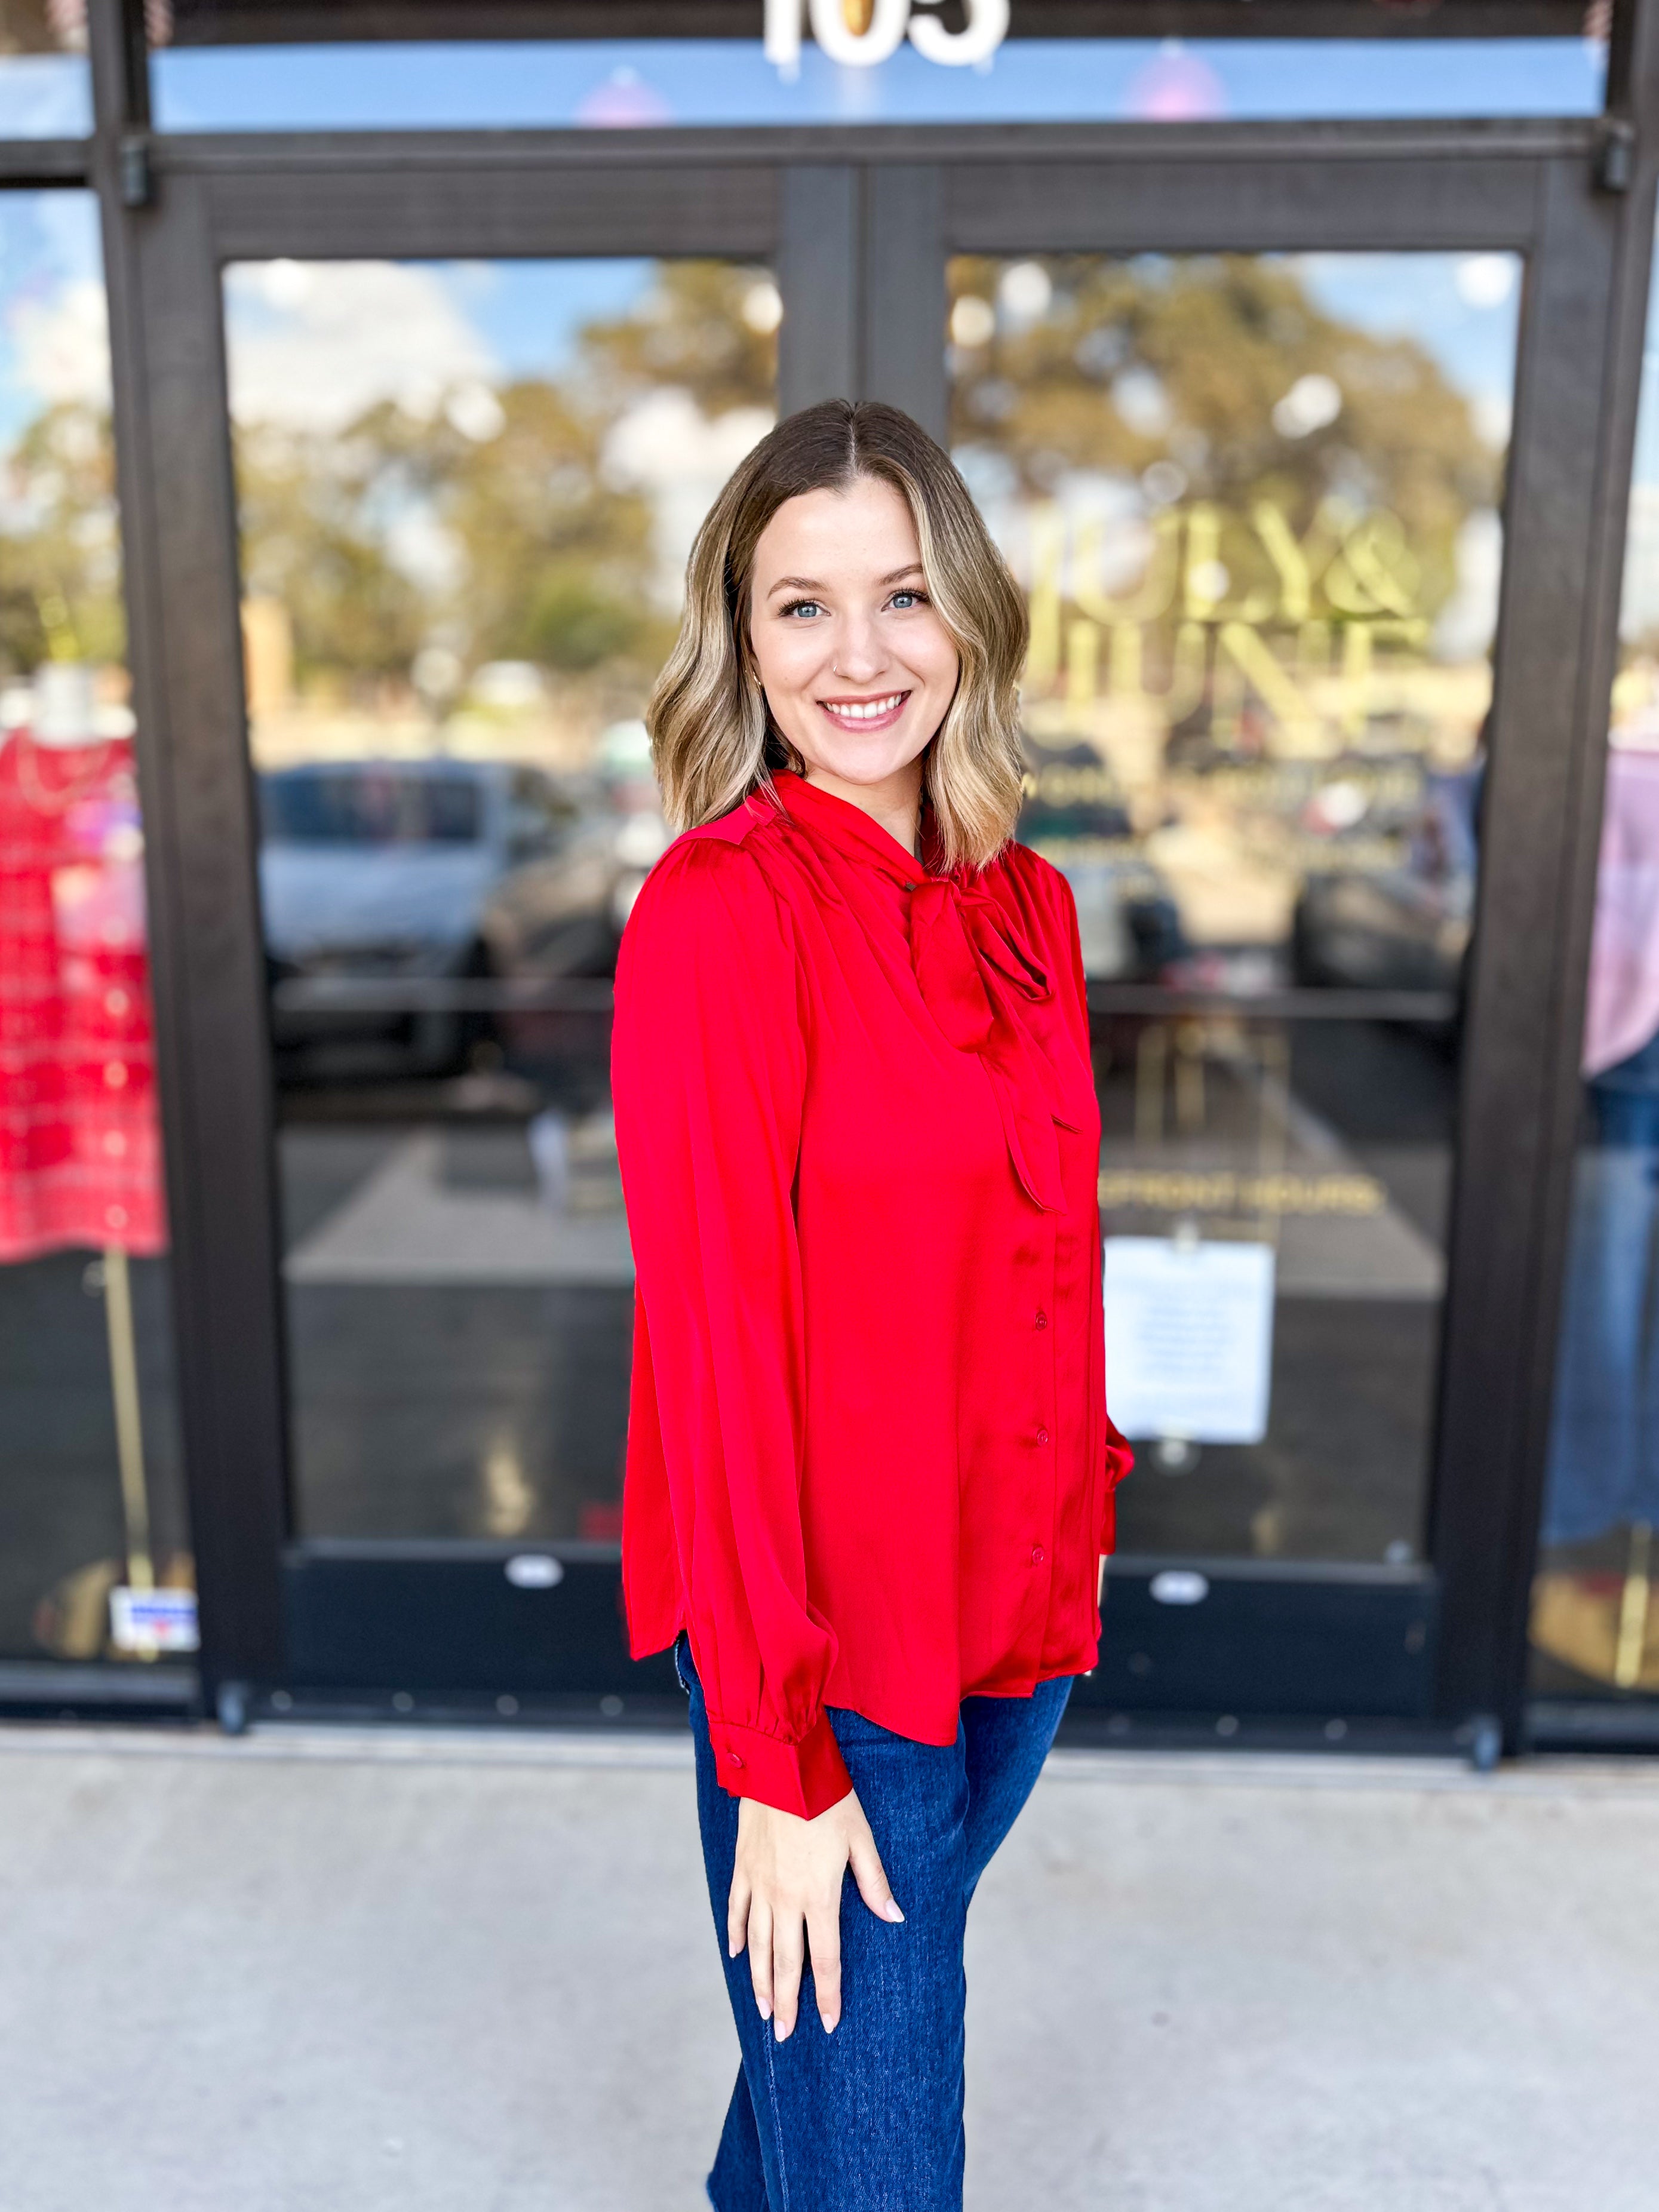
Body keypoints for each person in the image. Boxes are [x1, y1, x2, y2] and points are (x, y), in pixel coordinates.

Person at [611, 399, 1130, 2212]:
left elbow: (1047, 1244)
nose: (859, 655)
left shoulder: (1033, 907)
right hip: (838, 1660)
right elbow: (715, 1357)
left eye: (901, 595)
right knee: (884, 2165)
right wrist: (775, 1751)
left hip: (1016, 1619)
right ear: (739, 643)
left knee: (820, 2111)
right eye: (799, 606)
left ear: (968, 616)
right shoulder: (717, 918)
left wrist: (1086, 1492)